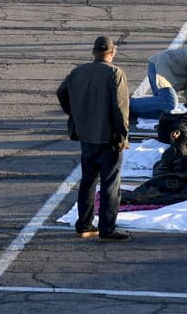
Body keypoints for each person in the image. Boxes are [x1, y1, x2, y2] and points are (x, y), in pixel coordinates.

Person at [56, 35, 131, 241]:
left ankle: (84, 225)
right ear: (112, 51)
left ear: (94, 51)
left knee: (88, 182)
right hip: (108, 138)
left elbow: (61, 93)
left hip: (86, 136)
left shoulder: (78, 72)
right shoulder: (115, 73)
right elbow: (120, 108)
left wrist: (75, 113)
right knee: (110, 185)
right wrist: (123, 136)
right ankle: (107, 229)